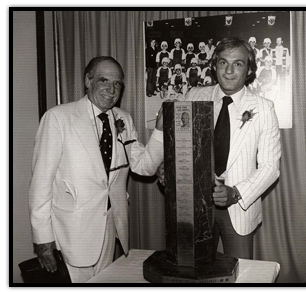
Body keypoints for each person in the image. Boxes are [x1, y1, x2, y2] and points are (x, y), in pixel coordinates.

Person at [29, 56, 164, 283]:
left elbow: (144, 167)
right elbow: (40, 184)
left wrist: (159, 131)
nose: (111, 90)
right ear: (88, 81)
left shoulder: (123, 119)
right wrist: (43, 238)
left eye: (117, 84)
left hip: (109, 228)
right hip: (71, 232)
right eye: (104, 81)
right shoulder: (58, 118)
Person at [157, 37, 281, 260]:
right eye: (223, 63)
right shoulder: (194, 96)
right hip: (193, 204)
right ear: (214, 66)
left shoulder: (264, 108)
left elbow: (270, 167)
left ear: (249, 69)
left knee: (241, 273)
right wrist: (168, 167)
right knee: (193, 270)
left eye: (238, 64)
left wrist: (236, 193)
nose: (229, 71)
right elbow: (179, 144)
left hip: (239, 208)